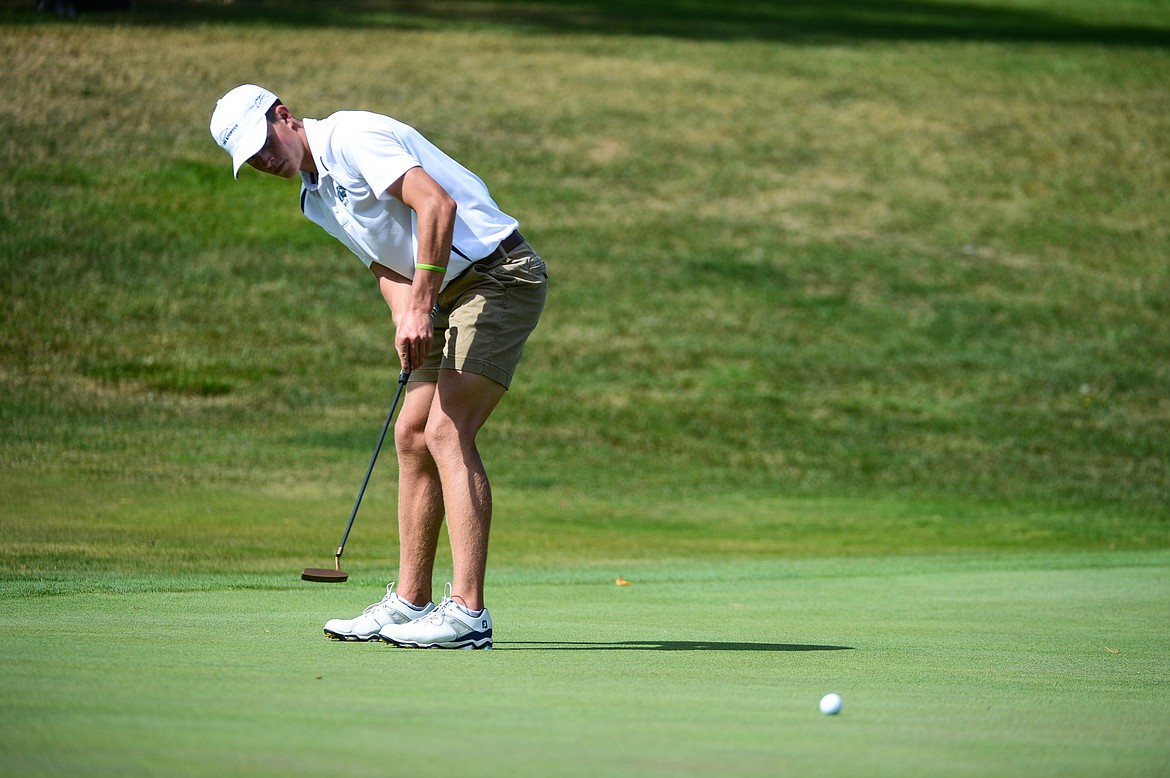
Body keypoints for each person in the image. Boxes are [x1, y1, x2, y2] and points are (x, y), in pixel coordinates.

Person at [210, 84, 547, 650]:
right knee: (412, 433)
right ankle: (410, 603)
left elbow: (437, 205)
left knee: (446, 428)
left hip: (499, 275)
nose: (265, 161)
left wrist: (420, 306)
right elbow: (383, 264)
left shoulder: (351, 136)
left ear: (284, 116)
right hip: (437, 291)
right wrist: (405, 318)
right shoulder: (315, 198)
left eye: (262, 142)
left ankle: (468, 613)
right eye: (251, 159)